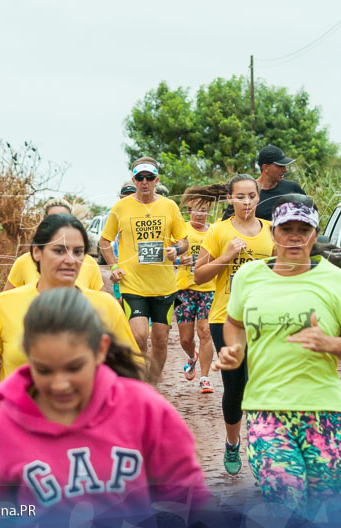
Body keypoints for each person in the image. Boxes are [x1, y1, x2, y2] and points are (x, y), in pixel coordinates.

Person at [0, 288, 212, 523]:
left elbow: (191, 501)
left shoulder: (143, 409)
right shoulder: (4, 429)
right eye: (43, 370)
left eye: (74, 367)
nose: (60, 384)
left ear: (101, 349)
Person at [216, 196, 341, 522]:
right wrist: (235, 350)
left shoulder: (333, 280)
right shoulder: (249, 276)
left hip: (324, 413)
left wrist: (329, 343)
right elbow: (233, 323)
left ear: (315, 235)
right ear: (273, 233)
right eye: (286, 229)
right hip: (266, 411)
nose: (295, 236)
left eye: (304, 229)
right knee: (284, 503)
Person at [0, 214, 142, 404]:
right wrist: (11, 404)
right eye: (60, 251)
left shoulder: (105, 305)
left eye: (78, 252)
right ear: (37, 252)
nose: (71, 260)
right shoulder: (3, 305)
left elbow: (132, 371)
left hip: (90, 430)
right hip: (23, 429)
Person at [191, 175, 274, 474]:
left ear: (258, 196)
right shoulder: (218, 231)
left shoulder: (270, 232)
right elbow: (199, 276)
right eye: (240, 197)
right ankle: (232, 442)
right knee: (235, 388)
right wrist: (228, 255)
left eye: (252, 196)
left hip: (264, 320)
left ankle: (264, 445)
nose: (247, 202)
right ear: (230, 199)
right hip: (225, 319)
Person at [99, 157, 188, 384]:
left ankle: (152, 385)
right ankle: (138, 381)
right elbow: (105, 241)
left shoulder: (169, 206)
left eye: (149, 177)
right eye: (140, 178)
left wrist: (175, 250)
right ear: (134, 180)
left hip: (164, 285)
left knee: (160, 340)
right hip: (133, 284)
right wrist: (115, 266)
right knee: (139, 335)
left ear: (156, 179)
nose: (145, 182)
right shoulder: (121, 207)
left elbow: (184, 241)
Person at [5, 199, 103, 292]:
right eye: (53, 219)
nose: (70, 261)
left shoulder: (89, 263)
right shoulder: (23, 262)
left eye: (77, 252)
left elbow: (99, 302)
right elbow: (8, 301)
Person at [174, 193, 217, 394]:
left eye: (203, 210)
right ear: (189, 211)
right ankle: (192, 356)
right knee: (186, 338)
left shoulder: (215, 231)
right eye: (195, 210)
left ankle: (205, 378)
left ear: (208, 212)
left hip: (209, 288)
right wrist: (177, 261)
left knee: (205, 331)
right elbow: (169, 253)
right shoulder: (182, 230)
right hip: (184, 288)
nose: (199, 214)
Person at [254, 144, 306, 221]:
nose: (285, 170)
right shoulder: (247, 191)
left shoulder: (292, 188)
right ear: (265, 167)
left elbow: (308, 214)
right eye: (280, 166)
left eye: (285, 166)